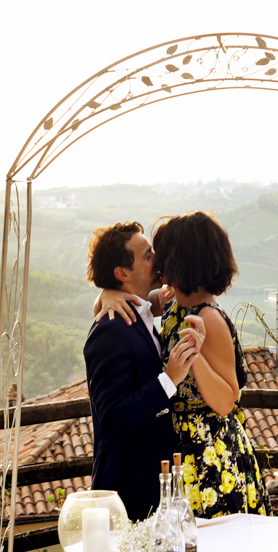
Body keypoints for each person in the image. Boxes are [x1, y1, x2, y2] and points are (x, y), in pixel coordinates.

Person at [152, 211, 269, 519]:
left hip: (211, 456)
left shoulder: (208, 317)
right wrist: (108, 296)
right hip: (183, 450)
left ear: (182, 260)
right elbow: (127, 299)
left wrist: (195, 356)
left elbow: (225, 400)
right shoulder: (172, 300)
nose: (157, 263)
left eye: (164, 254)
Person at [84, 221, 199, 520]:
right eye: (148, 256)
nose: (157, 259)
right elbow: (112, 419)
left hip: (151, 487)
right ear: (122, 274)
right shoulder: (109, 330)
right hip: (127, 492)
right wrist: (169, 379)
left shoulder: (143, 308)